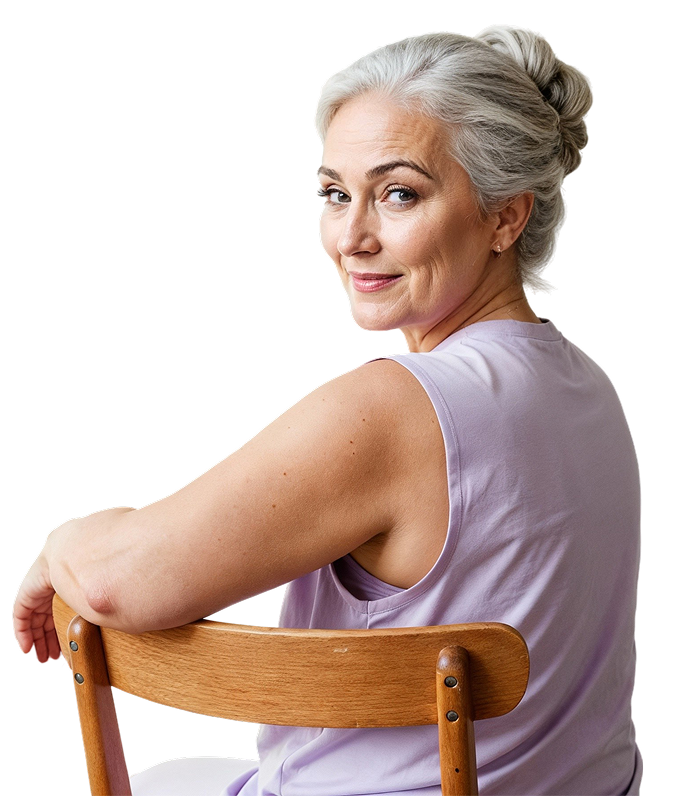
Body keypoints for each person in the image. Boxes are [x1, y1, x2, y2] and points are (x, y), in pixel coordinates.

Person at [13, 25, 642, 796]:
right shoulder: (589, 387)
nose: (350, 237)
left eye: (399, 193)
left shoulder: (397, 405)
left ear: (506, 217)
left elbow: (118, 585)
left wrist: (65, 539)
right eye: (336, 193)